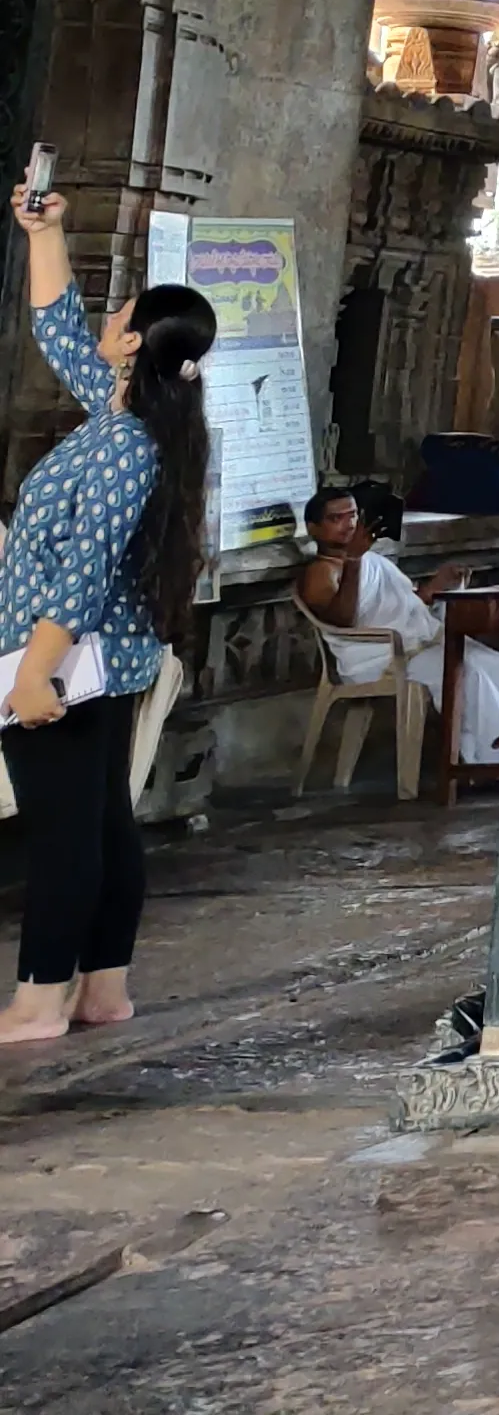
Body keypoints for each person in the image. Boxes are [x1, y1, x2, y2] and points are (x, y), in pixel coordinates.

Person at [0, 187, 214, 1047]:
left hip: (70, 657)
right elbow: (55, 325)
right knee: (98, 823)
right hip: (97, 657)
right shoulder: (123, 414)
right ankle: (102, 989)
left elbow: (85, 568)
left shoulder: (125, 445)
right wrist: (44, 232)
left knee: (62, 832)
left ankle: (41, 998)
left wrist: (33, 667)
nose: (104, 316)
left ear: (131, 344)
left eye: (116, 312)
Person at [295, 484, 499, 768]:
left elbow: (409, 604)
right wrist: (353, 560)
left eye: (352, 516)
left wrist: (438, 585)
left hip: (420, 644)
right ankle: (493, 762)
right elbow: (342, 619)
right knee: (467, 673)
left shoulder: (375, 562)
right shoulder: (319, 573)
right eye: (337, 519)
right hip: (383, 658)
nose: (348, 525)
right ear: (314, 529)